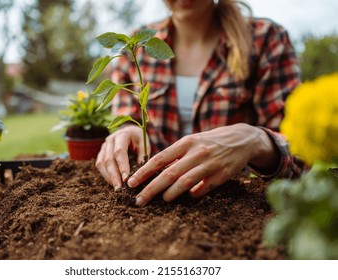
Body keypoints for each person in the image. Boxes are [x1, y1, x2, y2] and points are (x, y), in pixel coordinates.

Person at [95, 0, 304, 207]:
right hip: (153, 203)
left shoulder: (266, 39)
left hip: (233, 206)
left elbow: (301, 153)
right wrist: (127, 132)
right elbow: (126, 120)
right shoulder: (136, 46)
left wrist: (255, 139)